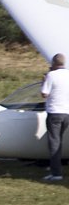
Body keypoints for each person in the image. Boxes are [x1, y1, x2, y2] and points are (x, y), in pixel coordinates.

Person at [41, 53, 69, 181]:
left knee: (54, 142)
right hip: (67, 113)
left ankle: (56, 173)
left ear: (53, 63)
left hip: (55, 112)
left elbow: (44, 94)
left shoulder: (51, 75)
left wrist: (44, 82)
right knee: (59, 140)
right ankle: (55, 165)